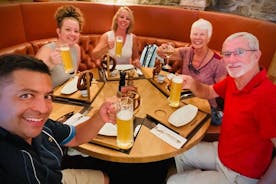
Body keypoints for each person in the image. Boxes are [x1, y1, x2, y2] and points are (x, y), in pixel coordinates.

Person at [167, 32, 276, 184]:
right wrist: (192, 83)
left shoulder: (268, 97)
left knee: (172, 181)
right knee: (178, 152)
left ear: (256, 55)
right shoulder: (234, 79)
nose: (231, 60)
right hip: (222, 152)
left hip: (240, 174)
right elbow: (210, 91)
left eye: (239, 52)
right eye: (227, 54)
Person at [0, 54, 116, 184]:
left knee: (105, 178)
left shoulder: (43, 126)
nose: (43, 109)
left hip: (56, 177)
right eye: (26, 95)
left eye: (47, 96)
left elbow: (75, 136)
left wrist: (100, 117)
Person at [158, 18, 227, 125]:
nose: (197, 38)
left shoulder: (218, 62)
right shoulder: (186, 52)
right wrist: (161, 49)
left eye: (202, 34)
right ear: (190, 36)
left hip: (206, 108)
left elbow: (222, 92)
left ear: (208, 37)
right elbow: (163, 54)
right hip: (185, 101)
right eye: (195, 34)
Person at [36, 5, 84, 88]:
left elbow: (72, 76)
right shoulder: (47, 50)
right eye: (68, 29)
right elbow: (32, 80)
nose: (73, 34)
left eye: (76, 31)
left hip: (70, 95)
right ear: (59, 31)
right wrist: (49, 63)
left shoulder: (76, 48)